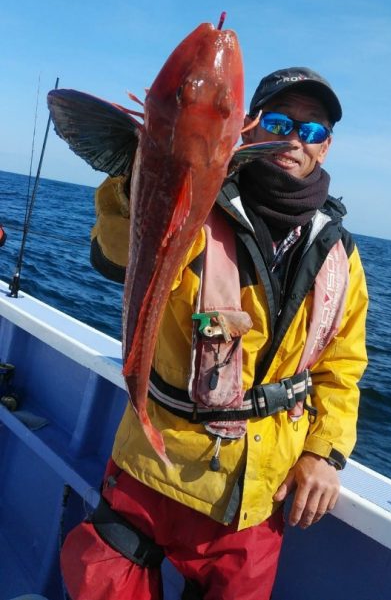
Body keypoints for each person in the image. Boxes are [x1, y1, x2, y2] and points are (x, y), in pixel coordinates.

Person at [61, 66, 368, 600]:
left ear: (327, 147)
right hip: (153, 464)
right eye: (279, 121)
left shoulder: (339, 251)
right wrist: (142, 178)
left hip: (255, 496)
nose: (295, 138)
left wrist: (323, 452)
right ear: (248, 127)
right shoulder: (197, 198)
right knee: (101, 581)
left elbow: (342, 366)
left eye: (312, 130)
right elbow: (116, 254)